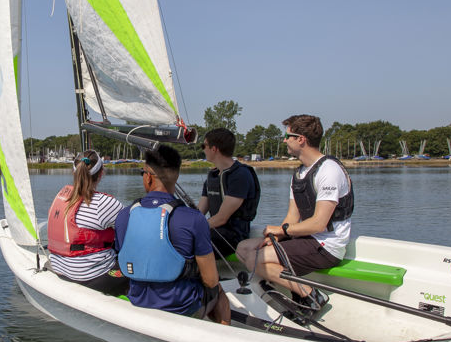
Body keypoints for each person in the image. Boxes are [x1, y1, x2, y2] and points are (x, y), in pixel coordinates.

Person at [236, 114, 353, 316]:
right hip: (307, 240)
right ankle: (289, 288)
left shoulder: (329, 171)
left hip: (326, 245)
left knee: (255, 258)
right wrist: (276, 237)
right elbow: (292, 217)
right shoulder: (300, 173)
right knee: (242, 248)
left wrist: (283, 230)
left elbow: (318, 223)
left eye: (287, 136)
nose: (284, 140)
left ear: (301, 139)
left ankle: (310, 295)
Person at [114, 144, 230, 323]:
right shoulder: (194, 219)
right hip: (182, 306)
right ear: (176, 177)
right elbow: (210, 280)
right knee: (219, 291)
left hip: (139, 301)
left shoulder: (124, 216)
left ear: (148, 178)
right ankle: (222, 341)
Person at [47, 150, 128, 295]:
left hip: (59, 267)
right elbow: (135, 229)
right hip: (89, 275)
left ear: (74, 172)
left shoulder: (62, 197)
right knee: (135, 267)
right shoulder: (104, 203)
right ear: (101, 173)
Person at [197, 128, 260, 259]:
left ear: (214, 149)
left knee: (189, 242)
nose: (203, 149)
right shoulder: (213, 176)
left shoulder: (240, 175)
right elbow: (199, 212)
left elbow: (222, 218)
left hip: (232, 236)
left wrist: (193, 228)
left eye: (204, 146)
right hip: (215, 231)